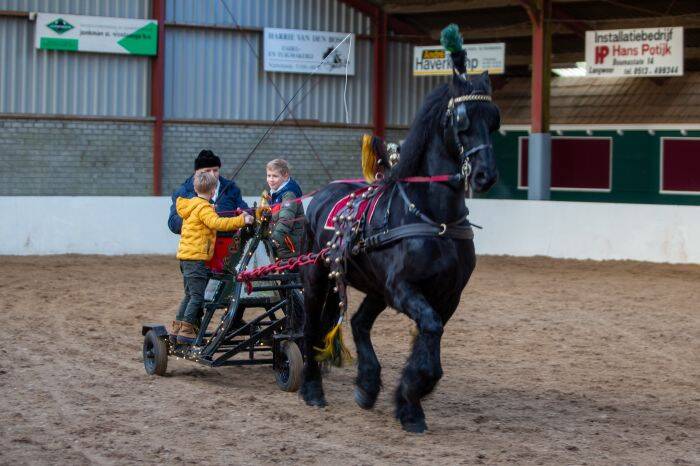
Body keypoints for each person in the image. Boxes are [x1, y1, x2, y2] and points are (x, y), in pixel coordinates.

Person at [171, 171, 254, 344]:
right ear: (213, 190)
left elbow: (204, 218)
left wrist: (210, 209)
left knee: (189, 294)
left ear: (195, 188)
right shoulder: (204, 208)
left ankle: (178, 327)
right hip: (196, 259)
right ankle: (186, 330)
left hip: (186, 258)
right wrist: (241, 220)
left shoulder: (192, 205)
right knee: (197, 297)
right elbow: (217, 223)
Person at [168, 149, 248, 235]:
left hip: (228, 244)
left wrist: (244, 214)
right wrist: (198, 218)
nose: (212, 175)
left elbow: (246, 211)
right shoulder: (183, 192)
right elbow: (172, 223)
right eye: (207, 171)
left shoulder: (231, 188)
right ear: (196, 172)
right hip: (197, 245)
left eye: (215, 170)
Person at [264, 159, 304, 260]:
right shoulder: (274, 193)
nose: (271, 179)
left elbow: (286, 219)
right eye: (269, 176)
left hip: (289, 249)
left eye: (275, 176)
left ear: (285, 176)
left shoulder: (289, 194)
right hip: (280, 248)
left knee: (286, 274)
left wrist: (274, 240)